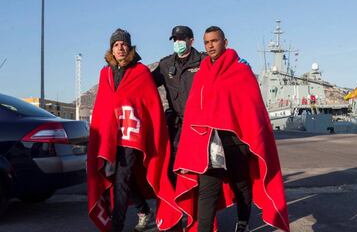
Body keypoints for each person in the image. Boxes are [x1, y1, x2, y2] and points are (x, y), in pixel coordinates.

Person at [173, 26, 290, 232]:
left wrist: (252, 138)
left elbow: (253, 107)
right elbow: (193, 114)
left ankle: (243, 222)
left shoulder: (240, 70)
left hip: (236, 141)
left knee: (241, 185)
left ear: (225, 42)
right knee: (207, 192)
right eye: (207, 42)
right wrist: (187, 151)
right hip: (209, 144)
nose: (210, 46)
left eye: (214, 41)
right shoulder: (201, 75)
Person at [87, 28, 181, 232]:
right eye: (116, 44)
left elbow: (151, 105)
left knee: (122, 177)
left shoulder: (141, 72)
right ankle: (143, 209)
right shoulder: (105, 74)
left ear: (130, 47)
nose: (120, 48)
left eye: (124, 44)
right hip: (111, 136)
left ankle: (116, 226)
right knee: (116, 177)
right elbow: (103, 105)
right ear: (111, 48)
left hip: (132, 134)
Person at [152, 25, 206, 185]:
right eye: (175, 39)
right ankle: (181, 203)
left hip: (200, 123)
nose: (178, 42)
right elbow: (145, 84)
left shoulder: (204, 62)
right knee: (174, 166)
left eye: (181, 39)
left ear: (191, 40)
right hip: (177, 123)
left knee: (201, 166)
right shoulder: (166, 65)